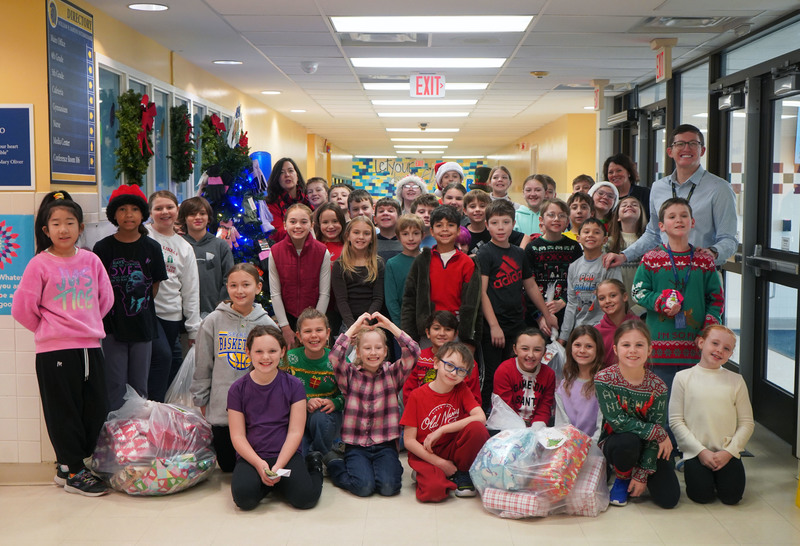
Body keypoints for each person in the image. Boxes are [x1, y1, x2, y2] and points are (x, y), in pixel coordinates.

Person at [12, 192, 113, 496]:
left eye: (70, 222)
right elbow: (22, 309)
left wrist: (86, 325)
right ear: (46, 230)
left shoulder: (91, 260)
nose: (63, 229)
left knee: (95, 408)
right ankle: (74, 472)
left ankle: (68, 466)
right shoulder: (39, 264)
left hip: (90, 347)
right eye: (56, 223)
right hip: (54, 351)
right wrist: (52, 329)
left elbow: (105, 300)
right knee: (63, 411)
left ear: (81, 227)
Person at [604, 124, 738, 269]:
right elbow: (653, 233)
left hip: (702, 273)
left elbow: (729, 239)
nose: (686, 148)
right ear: (670, 151)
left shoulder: (720, 188)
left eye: (693, 143)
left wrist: (713, 252)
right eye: (679, 144)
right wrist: (624, 255)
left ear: (702, 150)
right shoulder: (658, 187)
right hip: (664, 273)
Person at [191, 263, 278, 472]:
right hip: (222, 411)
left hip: (256, 414)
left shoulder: (268, 325)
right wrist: (201, 399)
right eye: (233, 285)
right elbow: (203, 363)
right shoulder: (212, 321)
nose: (239, 291)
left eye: (246, 285)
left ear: (258, 288)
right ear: (227, 288)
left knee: (252, 464)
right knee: (228, 466)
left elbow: (275, 372)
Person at [631, 198, 723, 390]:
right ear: (662, 226)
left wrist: (707, 331)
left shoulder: (704, 261)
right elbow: (637, 292)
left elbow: (716, 299)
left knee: (694, 405)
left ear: (693, 222)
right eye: (672, 217)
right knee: (664, 407)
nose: (679, 220)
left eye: (684, 216)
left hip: (696, 347)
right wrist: (660, 301)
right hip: (660, 350)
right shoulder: (650, 259)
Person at [325, 312, 421, 497]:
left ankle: (383, 469)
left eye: (378, 348)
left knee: (388, 488)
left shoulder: (393, 373)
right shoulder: (349, 374)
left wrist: (389, 326)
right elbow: (335, 356)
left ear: (385, 351)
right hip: (356, 445)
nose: (373, 352)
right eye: (367, 348)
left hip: (385, 444)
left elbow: (414, 351)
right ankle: (335, 463)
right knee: (363, 488)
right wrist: (355, 326)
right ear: (358, 352)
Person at [228, 325, 323, 511]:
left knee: (305, 499)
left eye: (272, 351)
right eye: (259, 351)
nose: (265, 357)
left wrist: (279, 465)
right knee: (244, 499)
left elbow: (296, 431)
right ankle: (272, 483)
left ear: (282, 352)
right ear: (248, 353)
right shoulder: (237, 389)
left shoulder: (294, 385)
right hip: (253, 456)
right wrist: (259, 464)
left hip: (285, 454)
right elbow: (237, 436)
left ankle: (314, 465)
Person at [93, 184, 168, 411]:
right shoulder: (103, 248)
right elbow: (98, 288)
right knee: (115, 384)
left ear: (142, 214)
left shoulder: (152, 247)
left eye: (134, 209)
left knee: (139, 386)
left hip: (142, 327)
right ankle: (115, 434)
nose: (128, 214)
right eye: (122, 209)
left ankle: (137, 434)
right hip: (112, 327)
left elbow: (154, 285)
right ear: (114, 214)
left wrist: (139, 305)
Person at [478, 200, 557, 407]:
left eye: (505, 222)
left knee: (518, 372)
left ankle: (516, 411)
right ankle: (489, 415)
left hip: (517, 324)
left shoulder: (519, 253)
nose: (501, 227)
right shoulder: (485, 253)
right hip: (493, 327)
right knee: (493, 375)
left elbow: (530, 287)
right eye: (495, 223)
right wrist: (494, 326)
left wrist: (546, 314)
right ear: (487, 225)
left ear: (514, 223)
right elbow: (482, 292)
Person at [595, 320, 680, 509]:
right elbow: (618, 422)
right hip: (618, 442)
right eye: (626, 345)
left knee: (669, 499)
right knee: (627, 441)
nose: (632, 350)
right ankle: (622, 477)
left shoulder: (658, 386)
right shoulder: (603, 379)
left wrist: (643, 474)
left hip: (649, 445)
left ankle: (638, 473)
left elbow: (657, 426)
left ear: (649, 350)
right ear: (616, 350)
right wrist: (658, 433)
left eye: (639, 345)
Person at [669, 325, 754, 505]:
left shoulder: (736, 381)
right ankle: (687, 464)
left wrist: (730, 451)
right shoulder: (683, 378)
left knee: (732, 498)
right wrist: (700, 451)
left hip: (726, 452)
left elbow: (747, 423)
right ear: (701, 342)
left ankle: (721, 475)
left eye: (726, 348)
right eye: (714, 343)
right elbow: (676, 421)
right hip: (697, 452)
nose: (719, 350)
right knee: (702, 497)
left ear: (730, 354)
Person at [402, 342, 489, 501]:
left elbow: (480, 417)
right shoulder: (416, 395)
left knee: (477, 428)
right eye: (449, 365)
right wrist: (440, 463)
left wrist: (442, 430)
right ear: (436, 363)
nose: (454, 373)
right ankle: (436, 472)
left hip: (452, 448)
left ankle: (462, 472)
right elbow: (408, 441)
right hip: (426, 452)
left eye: (461, 370)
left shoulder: (461, 389)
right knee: (434, 492)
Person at [146, 190, 201, 403]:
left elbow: (190, 290)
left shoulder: (184, 247)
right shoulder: (144, 235)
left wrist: (194, 327)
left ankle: (166, 412)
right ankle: (153, 407)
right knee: (162, 358)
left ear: (177, 210)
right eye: (158, 208)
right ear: (150, 212)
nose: (164, 212)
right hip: (148, 313)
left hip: (172, 316)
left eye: (169, 207)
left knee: (173, 366)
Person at [402, 205, 481, 347]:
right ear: (431, 231)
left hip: (456, 331)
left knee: (453, 367)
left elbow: (474, 305)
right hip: (428, 330)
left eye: (450, 225)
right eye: (439, 225)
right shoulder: (422, 261)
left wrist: (470, 340)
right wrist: (409, 335)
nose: (445, 229)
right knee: (429, 369)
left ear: (458, 230)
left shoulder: (467, 262)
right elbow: (409, 299)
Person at [283, 308, 343, 458]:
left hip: (326, 418)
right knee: (299, 452)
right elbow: (279, 390)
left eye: (319, 330)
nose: (314, 335)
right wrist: (304, 402)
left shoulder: (337, 360)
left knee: (320, 417)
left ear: (328, 333)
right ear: (299, 336)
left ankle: (324, 457)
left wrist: (335, 402)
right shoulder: (289, 359)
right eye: (308, 331)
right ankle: (308, 453)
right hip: (296, 416)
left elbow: (351, 393)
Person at [268, 203, 331, 347]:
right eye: (293, 222)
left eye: (303, 222)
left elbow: (324, 293)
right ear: (285, 225)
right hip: (287, 318)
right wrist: (285, 327)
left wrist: (315, 326)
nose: (298, 226)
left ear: (311, 224)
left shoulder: (322, 252)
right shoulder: (275, 252)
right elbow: (275, 293)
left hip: (314, 319)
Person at [559, 218, 622, 343]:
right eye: (586, 232)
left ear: (605, 240)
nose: (590, 235)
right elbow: (571, 304)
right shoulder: (573, 267)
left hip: (605, 329)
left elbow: (617, 300)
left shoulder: (609, 263)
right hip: (580, 330)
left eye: (596, 232)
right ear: (578, 238)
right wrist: (563, 336)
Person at [524, 198, 583, 328]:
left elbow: (579, 280)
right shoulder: (532, 248)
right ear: (541, 220)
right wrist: (539, 317)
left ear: (567, 221)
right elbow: (527, 286)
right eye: (551, 215)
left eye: (561, 216)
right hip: (537, 314)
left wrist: (563, 301)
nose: (556, 219)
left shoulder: (574, 248)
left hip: (567, 310)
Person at [402, 311, 481, 406]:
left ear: (455, 334)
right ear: (428, 333)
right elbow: (408, 395)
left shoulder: (468, 363)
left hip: (456, 416)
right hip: (422, 414)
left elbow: (474, 400)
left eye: (448, 329)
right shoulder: (417, 358)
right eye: (436, 328)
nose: (442, 333)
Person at [178, 196, 234, 316]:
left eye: (202, 213)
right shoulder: (178, 245)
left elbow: (229, 279)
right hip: (182, 314)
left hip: (215, 312)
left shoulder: (221, 245)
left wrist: (222, 307)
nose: (198, 217)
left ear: (208, 218)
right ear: (184, 218)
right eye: (192, 214)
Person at [492, 328, 555, 426]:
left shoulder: (549, 374)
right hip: (507, 423)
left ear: (544, 352)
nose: (530, 355)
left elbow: (545, 407)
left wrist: (537, 427)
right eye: (525, 349)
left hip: (536, 426)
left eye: (537, 350)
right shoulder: (504, 370)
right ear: (515, 349)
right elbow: (504, 407)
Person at [331, 216, 384, 331]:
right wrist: (353, 326)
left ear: (372, 238)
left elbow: (378, 298)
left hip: (371, 322)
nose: (361, 237)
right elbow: (341, 300)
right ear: (348, 236)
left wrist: (366, 322)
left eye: (366, 233)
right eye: (356, 232)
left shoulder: (378, 263)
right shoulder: (339, 265)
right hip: (348, 323)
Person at [554, 325, 604, 442]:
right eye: (577, 345)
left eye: (589, 346)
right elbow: (561, 425)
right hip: (568, 447)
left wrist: (588, 447)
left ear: (598, 349)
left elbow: (601, 427)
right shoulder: (564, 386)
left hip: (595, 448)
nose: (582, 350)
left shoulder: (603, 385)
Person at [606, 196, 647, 316]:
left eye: (634, 204)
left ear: (641, 214)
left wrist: (638, 310)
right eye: (624, 205)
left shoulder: (649, 244)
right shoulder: (608, 244)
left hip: (642, 310)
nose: (629, 206)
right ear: (618, 217)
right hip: (615, 309)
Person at [313, 202, 347, 339]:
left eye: (335, 221)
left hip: (344, 308)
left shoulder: (349, 246)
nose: (330, 226)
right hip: (321, 307)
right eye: (325, 222)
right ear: (318, 225)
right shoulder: (315, 247)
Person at [384, 214, 423, 325]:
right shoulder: (392, 264)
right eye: (405, 234)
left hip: (428, 325)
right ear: (398, 237)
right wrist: (400, 327)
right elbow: (391, 301)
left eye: (415, 233)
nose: (411, 238)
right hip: (403, 326)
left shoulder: (429, 260)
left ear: (422, 235)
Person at [595, 279, 641, 367]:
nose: (607, 301)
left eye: (612, 295)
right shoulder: (596, 332)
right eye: (602, 298)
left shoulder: (639, 327)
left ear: (624, 297)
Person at [265, 158, 310, 243]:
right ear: (277, 179)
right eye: (282, 172)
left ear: (297, 176)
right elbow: (277, 233)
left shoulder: (308, 199)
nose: (287, 175)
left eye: (291, 170)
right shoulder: (271, 204)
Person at [603, 153, 650, 221]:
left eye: (619, 170)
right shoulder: (606, 196)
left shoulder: (644, 194)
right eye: (610, 172)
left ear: (629, 172)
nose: (615, 175)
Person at [375, 197, 403, 262]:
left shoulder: (408, 242)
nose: (385, 213)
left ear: (399, 218)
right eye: (381, 211)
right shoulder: (370, 243)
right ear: (375, 219)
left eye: (390, 211)